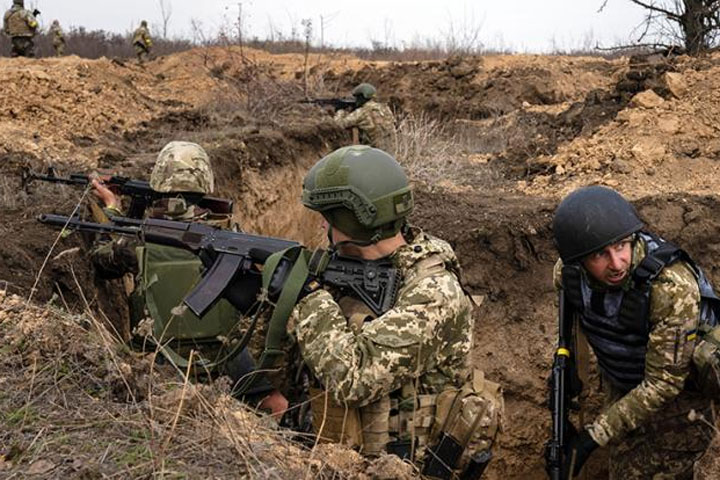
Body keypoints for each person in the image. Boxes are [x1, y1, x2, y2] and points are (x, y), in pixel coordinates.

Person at [280, 145, 502, 478]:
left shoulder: (434, 293)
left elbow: (352, 378)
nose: (323, 226)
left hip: (409, 469)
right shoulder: (346, 268)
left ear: (351, 220)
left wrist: (307, 296)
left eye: (328, 216)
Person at [90, 141, 287, 418]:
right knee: (275, 405)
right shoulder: (230, 234)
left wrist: (113, 210)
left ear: (159, 181)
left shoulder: (136, 241)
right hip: (224, 355)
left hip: (162, 361)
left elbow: (102, 259)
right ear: (205, 181)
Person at [550, 185, 716, 479]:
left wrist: (593, 438)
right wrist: (565, 387)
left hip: (680, 400)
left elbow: (664, 383)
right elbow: (572, 330)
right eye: (600, 254)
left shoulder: (670, 286)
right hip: (624, 379)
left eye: (621, 246)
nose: (616, 263)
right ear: (580, 260)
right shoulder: (568, 273)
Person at [334, 83, 396, 153]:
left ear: (361, 97)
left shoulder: (362, 112)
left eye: (357, 97)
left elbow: (339, 124)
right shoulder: (385, 109)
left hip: (375, 152)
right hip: (391, 151)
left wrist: (340, 110)